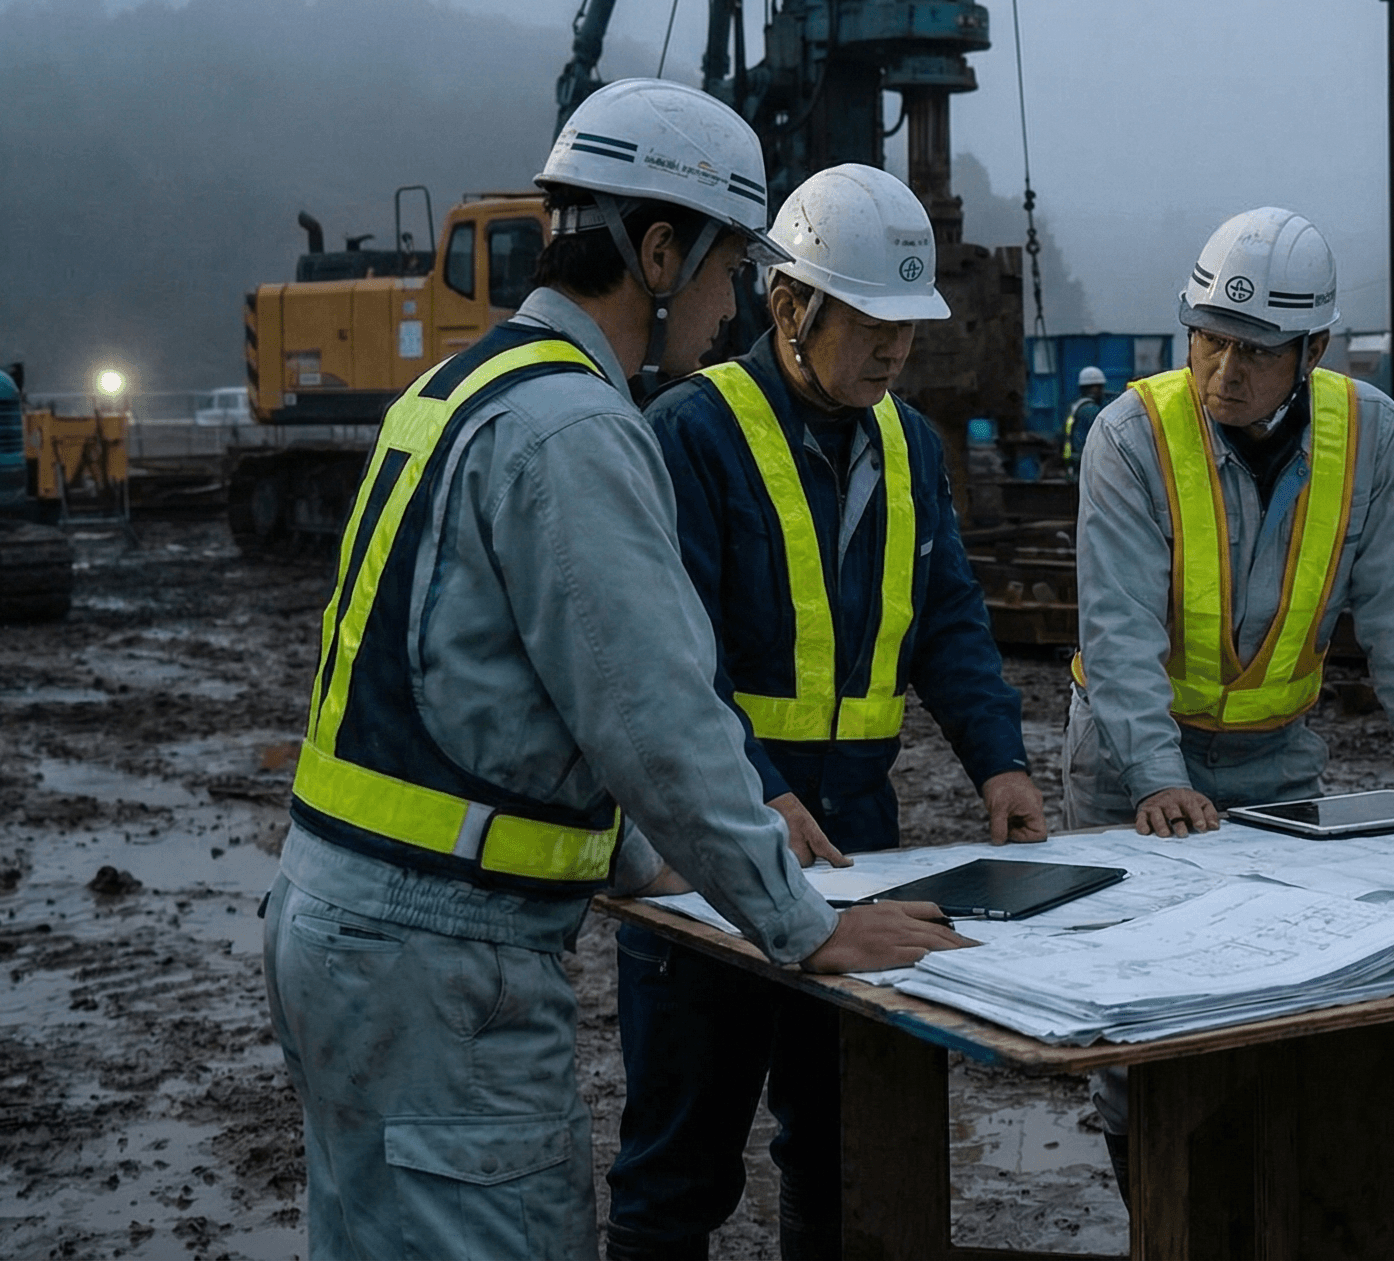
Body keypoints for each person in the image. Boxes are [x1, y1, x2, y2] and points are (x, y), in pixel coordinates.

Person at [260, 79, 967, 1261]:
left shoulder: (455, 391)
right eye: (728, 266)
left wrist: (642, 863)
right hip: (449, 966)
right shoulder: (578, 430)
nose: (731, 298)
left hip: (336, 928)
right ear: (656, 251)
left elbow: (477, 695)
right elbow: (654, 718)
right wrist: (800, 925)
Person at [604, 163, 1048, 1259]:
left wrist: (1001, 761)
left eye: (907, 324)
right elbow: (670, 664)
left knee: (845, 1148)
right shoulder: (691, 434)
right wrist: (759, 789)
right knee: (680, 1164)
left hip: (859, 849)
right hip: (713, 844)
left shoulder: (909, 447)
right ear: (787, 303)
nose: (897, 350)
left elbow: (946, 622)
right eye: (870, 321)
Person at [1064, 206, 1394, 1167]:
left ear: (1314, 349)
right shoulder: (1130, 438)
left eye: (1254, 351)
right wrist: (1157, 777)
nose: (1223, 373)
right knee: (1136, 1011)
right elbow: (1116, 632)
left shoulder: (1368, 436)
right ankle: (1150, 1198)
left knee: (1278, 990)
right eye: (1207, 340)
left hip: (1277, 762)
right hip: (1128, 766)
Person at [1062, 364, 1110, 474]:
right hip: (1084, 463)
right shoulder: (1091, 410)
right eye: (1098, 388)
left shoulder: (1075, 406)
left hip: (1072, 460)